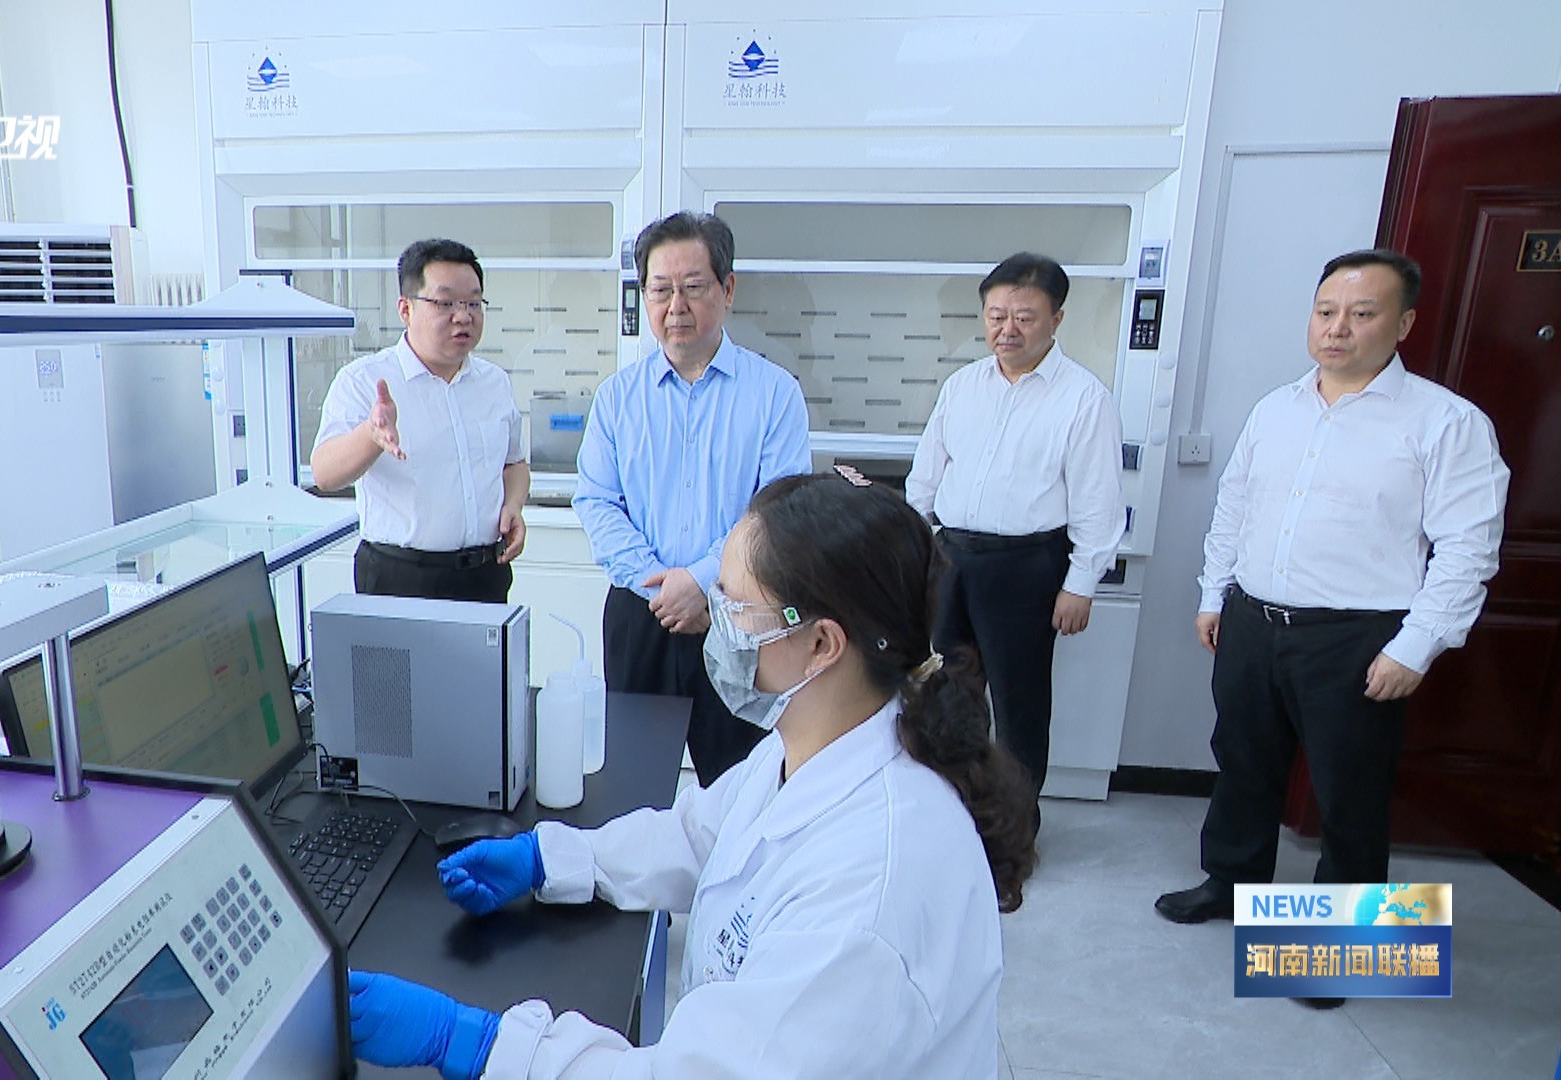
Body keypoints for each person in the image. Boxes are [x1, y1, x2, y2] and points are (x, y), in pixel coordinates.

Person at [346, 469, 1038, 1078]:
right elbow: (700, 834)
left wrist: (478, 1044)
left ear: (821, 643)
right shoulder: (815, 742)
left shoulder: (869, 894)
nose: (715, 622)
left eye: (733, 605)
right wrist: (552, 857)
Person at [1155, 250, 1509, 1008]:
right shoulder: (1275, 409)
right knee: (1243, 763)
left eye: (1361, 313)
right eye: (1325, 312)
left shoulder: (1446, 423)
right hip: (1253, 618)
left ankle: (1338, 955)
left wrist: (1417, 646)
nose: (1337, 328)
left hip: (1358, 637)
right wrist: (1214, 594)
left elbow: (1469, 549)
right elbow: (1235, 506)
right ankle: (1230, 882)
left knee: (1351, 793)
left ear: (1403, 324)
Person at [574, 211, 811, 786]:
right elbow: (597, 502)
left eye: (693, 287)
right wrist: (663, 588)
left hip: (737, 614)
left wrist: (703, 581)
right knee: (631, 784)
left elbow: (776, 511)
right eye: (660, 290)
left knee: (742, 786)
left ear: (727, 290)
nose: (675, 306)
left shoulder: (774, 394)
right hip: (640, 612)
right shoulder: (617, 398)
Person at [904, 252, 1125, 804]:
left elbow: (1098, 503)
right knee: (945, 693)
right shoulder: (963, 386)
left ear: (1057, 319)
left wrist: (1080, 584)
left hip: (1027, 566)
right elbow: (926, 477)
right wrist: (917, 548)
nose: (1007, 329)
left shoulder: (1084, 398)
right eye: (996, 316)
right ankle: (949, 811)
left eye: (1024, 317)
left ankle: (1016, 825)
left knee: (1018, 703)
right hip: (951, 559)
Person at [311, 238, 528, 603]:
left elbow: (514, 463)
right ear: (406, 309)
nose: (464, 316)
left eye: (474, 303)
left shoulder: (494, 383)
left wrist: (514, 505)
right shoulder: (364, 380)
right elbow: (324, 474)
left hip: (485, 575)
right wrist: (371, 435)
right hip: (399, 577)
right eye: (445, 303)